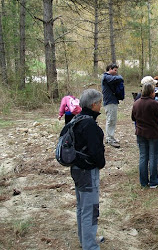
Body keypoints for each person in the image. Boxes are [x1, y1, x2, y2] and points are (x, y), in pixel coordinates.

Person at [61, 89, 105, 250]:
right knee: (90, 210)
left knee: (82, 207)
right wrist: (101, 163)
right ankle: (90, 246)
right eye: (99, 103)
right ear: (93, 104)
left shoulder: (76, 119)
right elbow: (95, 152)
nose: (101, 106)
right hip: (87, 172)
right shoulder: (89, 124)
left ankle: (85, 239)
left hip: (77, 170)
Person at [131, 83, 158, 188]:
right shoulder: (154, 103)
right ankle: (154, 180)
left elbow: (133, 118)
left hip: (140, 133)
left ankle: (143, 181)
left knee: (143, 157)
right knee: (153, 156)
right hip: (153, 133)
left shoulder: (136, 103)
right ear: (151, 92)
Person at [101, 63, 124, 148]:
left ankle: (110, 137)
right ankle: (109, 139)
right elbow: (117, 79)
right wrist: (120, 77)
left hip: (112, 101)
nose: (116, 72)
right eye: (115, 70)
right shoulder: (106, 77)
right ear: (110, 69)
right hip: (109, 101)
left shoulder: (109, 77)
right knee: (110, 120)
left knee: (112, 120)